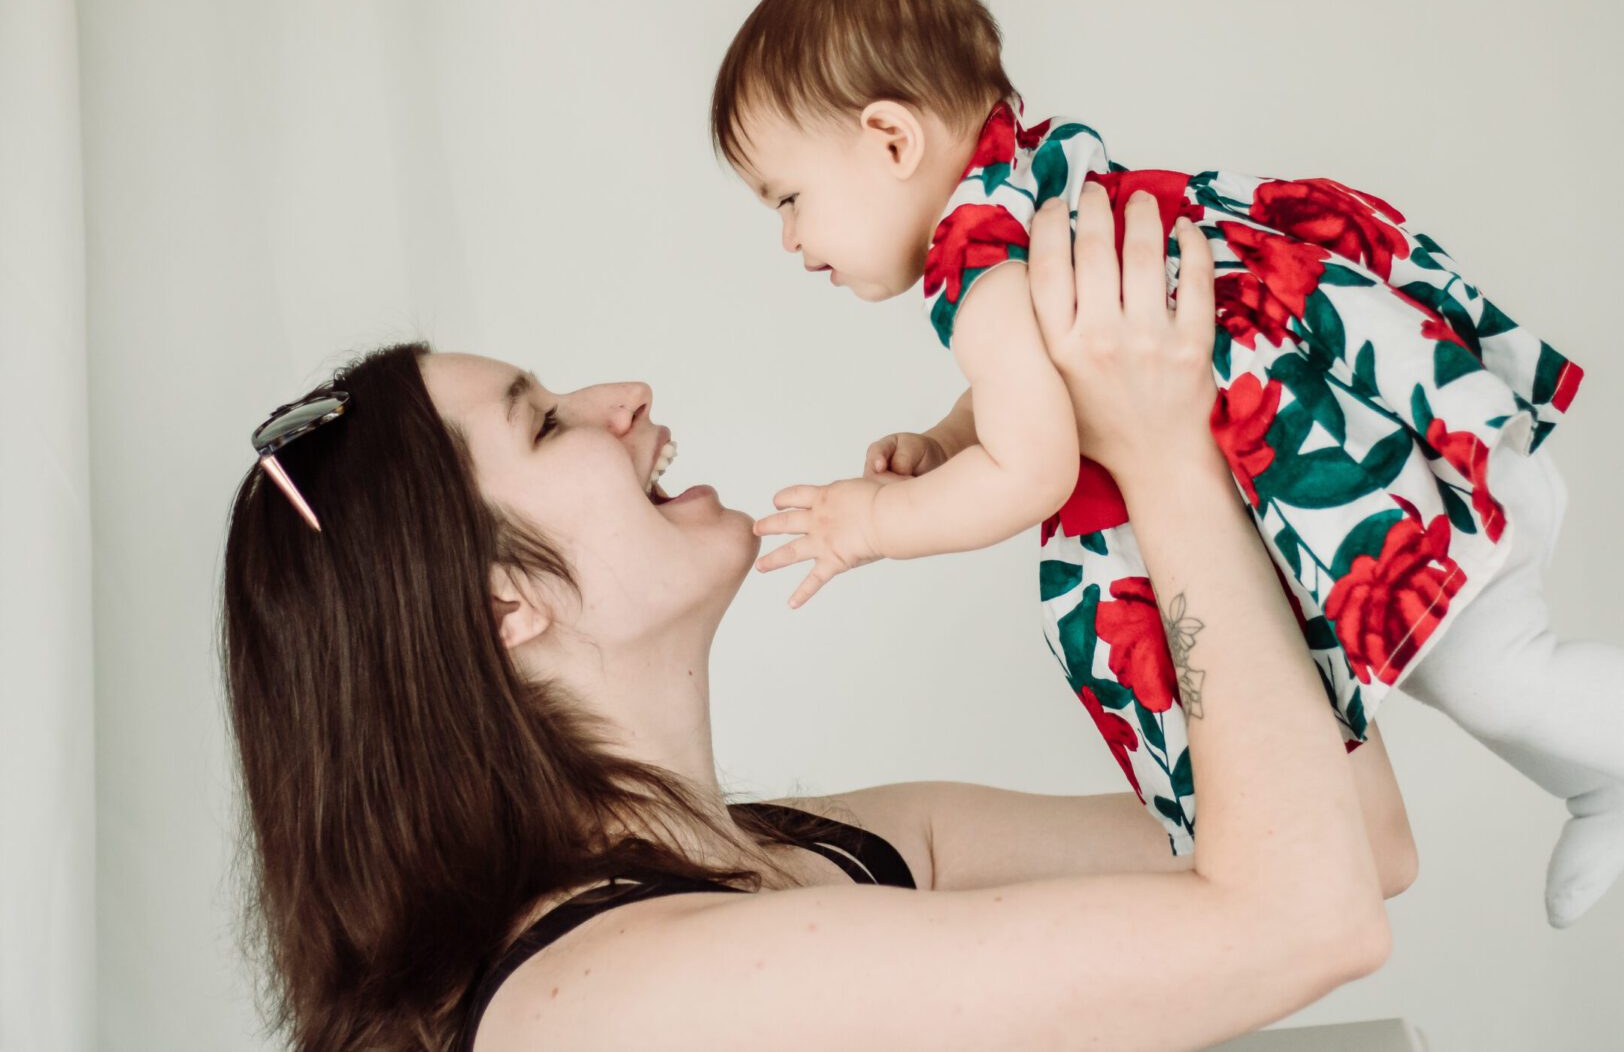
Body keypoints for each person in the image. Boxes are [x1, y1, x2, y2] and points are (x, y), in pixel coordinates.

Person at [708, 0, 1624, 925]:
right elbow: (1037, 390)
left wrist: (879, 524)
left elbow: (1032, 466)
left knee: (1499, 670)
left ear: (889, 137)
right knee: (1465, 670)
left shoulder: (975, 275)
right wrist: (944, 446)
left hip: (1356, 491)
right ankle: (1603, 788)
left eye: (788, 198)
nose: (792, 238)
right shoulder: (1020, 195)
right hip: (1365, 451)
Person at [219, 191, 1414, 1052]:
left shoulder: (831, 851)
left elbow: (1353, 843)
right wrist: (1160, 460)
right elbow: (1301, 924)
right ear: (498, 606)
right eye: (542, 423)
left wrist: (1167, 438)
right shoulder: (606, 999)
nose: (621, 399)